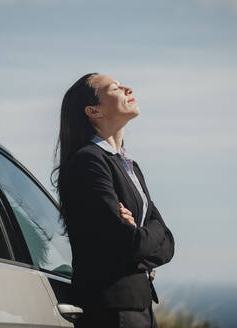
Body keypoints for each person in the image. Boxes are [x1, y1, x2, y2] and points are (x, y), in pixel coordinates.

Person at [53, 73, 175, 328]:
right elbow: (129, 243)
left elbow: (168, 242)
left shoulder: (130, 166)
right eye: (116, 88)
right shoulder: (88, 162)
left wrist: (140, 234)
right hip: (110, 311)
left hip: (139, 306)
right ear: (93, 110)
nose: (128, 88)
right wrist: (142, 237)